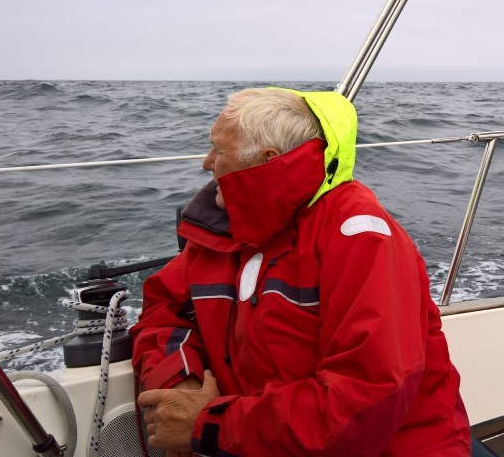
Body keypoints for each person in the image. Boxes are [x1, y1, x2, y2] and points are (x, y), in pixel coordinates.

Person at [132, 87, 471, 456]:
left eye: (218, 150)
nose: (207, 162)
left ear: (266, 160)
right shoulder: (223, 229)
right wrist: (182, 383)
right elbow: (163, 311)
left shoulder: (359, 236)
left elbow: (363, 405)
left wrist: (207, 424)